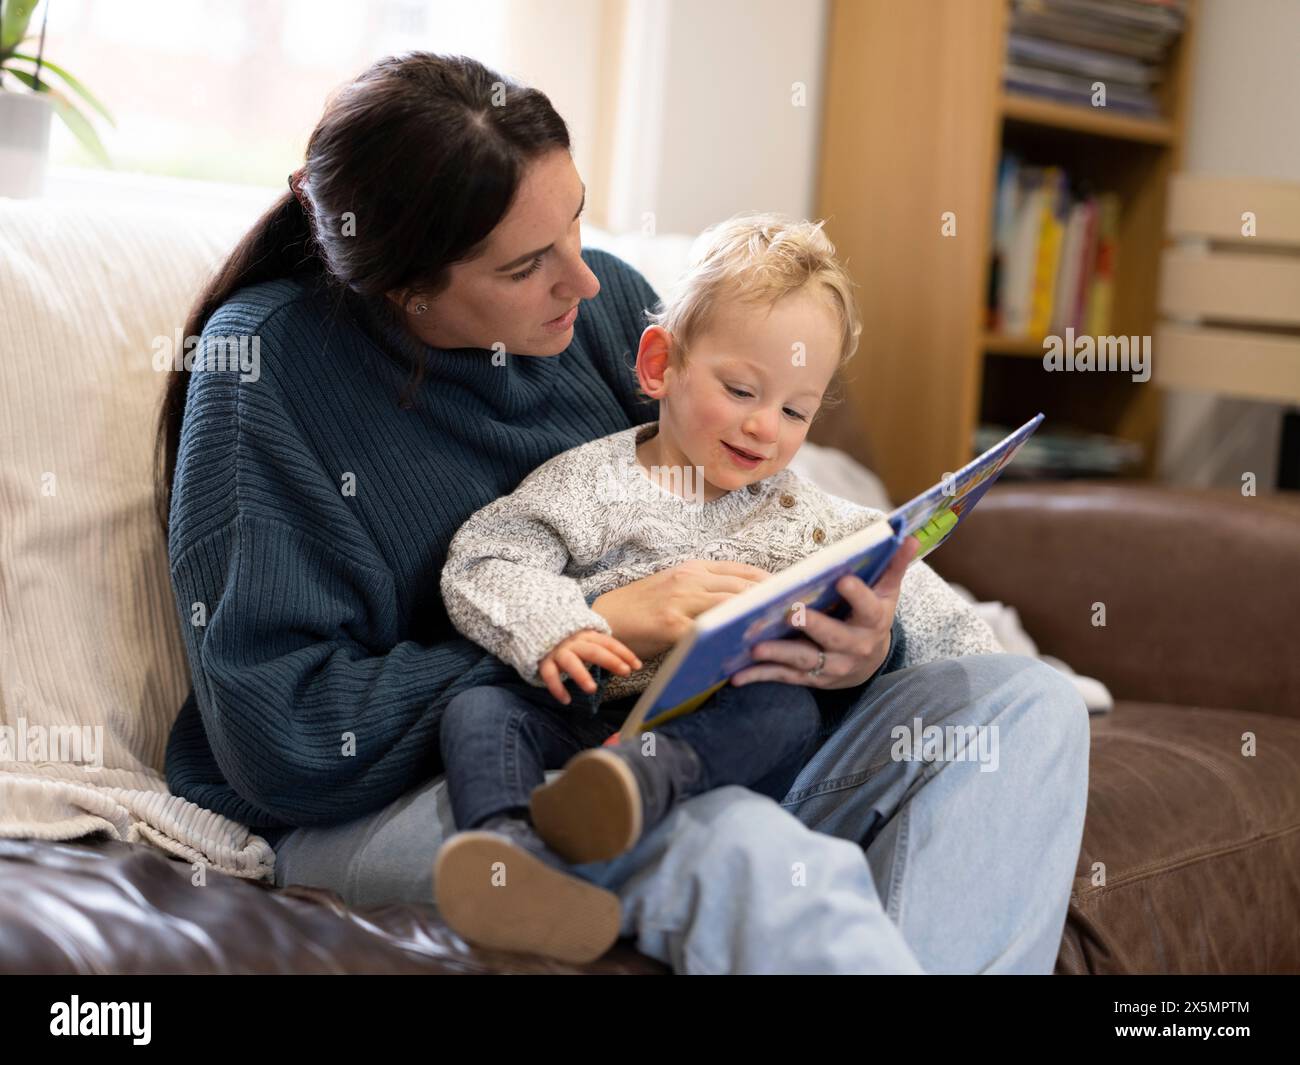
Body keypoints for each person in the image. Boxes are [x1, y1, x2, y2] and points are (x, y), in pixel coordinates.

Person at [157, 52, 1089, 974]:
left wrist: (857, 645)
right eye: (529, 265)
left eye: (576, 221)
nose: (587, 279)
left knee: (1026, 708)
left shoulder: (596, 320)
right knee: (734, 846)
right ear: (408, 285)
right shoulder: (269, 371)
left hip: (654, 740)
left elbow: (732, 505)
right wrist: (599, 623)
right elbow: (282, 737)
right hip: (420, 793)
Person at [433, 212, 1008, 964]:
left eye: (797, 410)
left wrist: (988, 670)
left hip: (709, 741)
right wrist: (564, 622)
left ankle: (640, 783)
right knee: (478, 707)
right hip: (577, 713)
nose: (765, 426)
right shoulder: (590, 480)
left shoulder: (812, 519)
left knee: (783, 706)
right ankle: (508, 855)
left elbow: (940, 620)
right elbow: (483, 558)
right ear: (659, 364)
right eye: (740, 389)